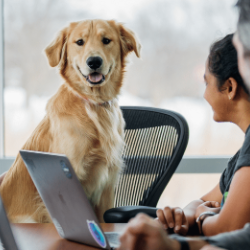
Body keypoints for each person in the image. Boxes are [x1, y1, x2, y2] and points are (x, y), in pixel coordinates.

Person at [117, 0, 250, 249]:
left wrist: (202, 216)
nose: (204, 95)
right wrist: (191, 211)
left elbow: (227, 227)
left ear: (230, 87)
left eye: (206, 83)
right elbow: (202, 201)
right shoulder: (241, 156)